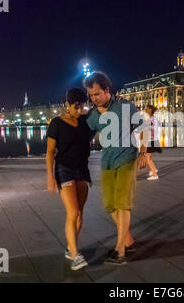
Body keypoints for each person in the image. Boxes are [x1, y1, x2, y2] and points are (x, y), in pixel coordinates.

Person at [85, 71, 147, 265]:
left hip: (127, 158)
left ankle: (119, 250)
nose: (94, 98)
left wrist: (143, 152)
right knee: (110, 205)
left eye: (97, 94)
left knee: (122, 204)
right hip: (107, 161)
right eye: (91, 95)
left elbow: (143, 127)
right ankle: (128, 240)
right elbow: (83, 134)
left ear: (107, 90)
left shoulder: (124, 106)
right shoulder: (94, 115)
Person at [46, 88, 94, 271]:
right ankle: (75, 255)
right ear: (67, 104)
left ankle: (70, 247)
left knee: (80, 214)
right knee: (72, 212)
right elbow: (50, 152)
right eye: (76, 107)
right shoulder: (56, 124)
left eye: (82, 106)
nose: (79, 110)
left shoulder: (84, 122)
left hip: (82, 169)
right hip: (64, 169)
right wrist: (50, 176)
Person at [144, 105, 162, 180]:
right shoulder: (153, 119)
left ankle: (154, 174)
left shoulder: (151, 119)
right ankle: (153, 170)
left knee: (147, 158)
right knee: (148, 157)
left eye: (147, 109)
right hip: (153, 140)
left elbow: (151, 130)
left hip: (151, 140)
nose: (145, 110)